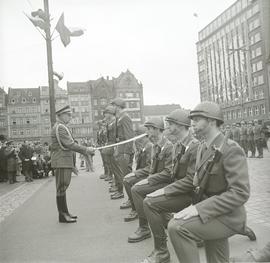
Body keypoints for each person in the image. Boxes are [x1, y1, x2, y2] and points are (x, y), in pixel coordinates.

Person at [167, 101, 251, 263]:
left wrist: (199, 209)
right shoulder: (202, 147)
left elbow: (240, 193)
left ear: (212, 121)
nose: (192, 122)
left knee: (177, 227)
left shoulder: (230, 149)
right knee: (217, 260)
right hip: (210, 211)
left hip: (227, 216)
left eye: (197, 119)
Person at [141, 109, 199, 263]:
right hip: (180, 191)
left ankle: (161, 252)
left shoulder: (194, 146)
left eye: (171, 124)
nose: (168, 126)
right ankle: (161, 249)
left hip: (191, 196)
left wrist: (164, 190)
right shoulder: (179, 145)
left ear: (180, 125)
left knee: (150, 203)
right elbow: (173, 174)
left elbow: (190, 181)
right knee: (150, 200)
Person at [128, 117, 173, 243]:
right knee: (137, 186)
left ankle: (144, 228)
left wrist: (150, 179)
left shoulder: (168, 146)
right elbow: (152, 168)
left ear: (157, 129)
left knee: (136, 190)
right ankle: (165, 218)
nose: (147, 132)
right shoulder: (155, 146)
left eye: (149, 129)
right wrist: (149, 179)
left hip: (166, 182)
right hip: (158, 181)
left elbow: (169, 172)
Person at [50, 105, 94, 223]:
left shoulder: (62, 127)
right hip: (62, 161)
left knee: (63, 187)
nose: (70, 116)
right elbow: (70, 144)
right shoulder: (60, 127)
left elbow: (70, 143)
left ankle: (65, 213)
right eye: (68, 114)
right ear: (61, 115)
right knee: (61, 187)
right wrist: (86, 149)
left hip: (63, 160)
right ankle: (62, 215)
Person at [121, 125, 152, 222]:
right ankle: (134, 205)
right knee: (127, 180)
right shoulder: (142, 146)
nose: (135, 138)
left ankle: (136, 210)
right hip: (142, 174)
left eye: (137, 135)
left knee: (128, 181)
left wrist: (136, 173)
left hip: (148, 175)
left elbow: (150, 167)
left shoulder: (149, 146)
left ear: (143, 136)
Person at [110, 98, 134, 200]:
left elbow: (129, 136)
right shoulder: (120, 118)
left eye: (114, 106)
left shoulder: (125, 118)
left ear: (119, 107)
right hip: (121, 149)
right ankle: (131, 199)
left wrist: (126, 153)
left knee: (127, 177)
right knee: (124, 176)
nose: (113, 108)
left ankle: (132, 201)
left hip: (125, 151)